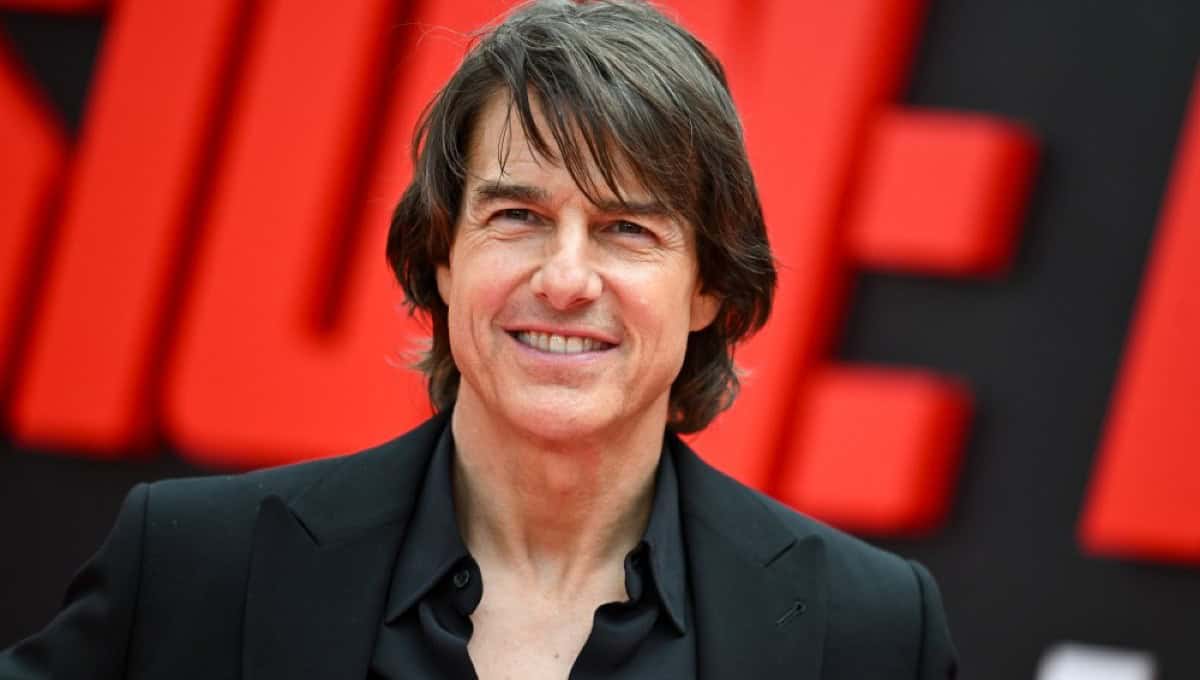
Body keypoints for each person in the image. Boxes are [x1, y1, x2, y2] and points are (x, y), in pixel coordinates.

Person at [0, 1, 957, 678]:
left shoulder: (867, 628)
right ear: (443, 256)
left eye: (627, 228)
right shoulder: (197, 565)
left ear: (708, 287)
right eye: (517, 217)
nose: (566, 279)